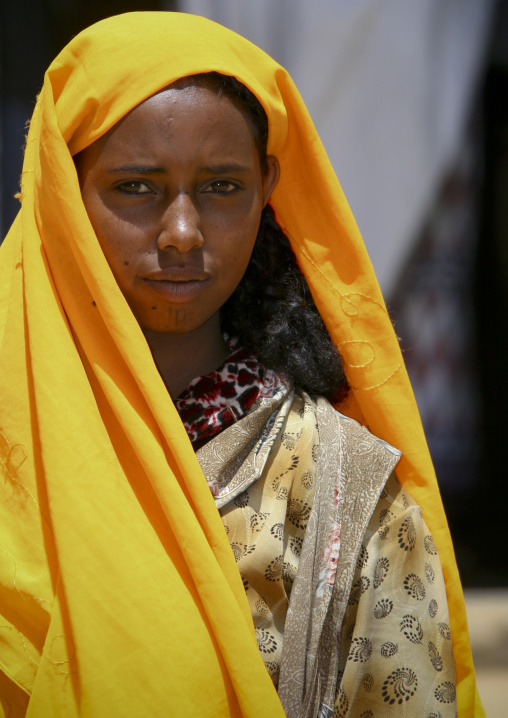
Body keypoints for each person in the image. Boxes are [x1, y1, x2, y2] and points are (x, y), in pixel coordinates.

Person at [0, 11, 483, 718]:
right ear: (63, 195)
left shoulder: (343, 490)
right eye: (136, 186)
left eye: (221, 186)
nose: (182, 232)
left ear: (267, 188)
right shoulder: (18, 438)